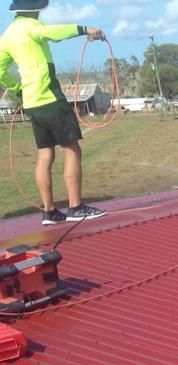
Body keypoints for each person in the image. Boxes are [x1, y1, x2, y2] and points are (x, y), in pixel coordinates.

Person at [0, 0, 106, 225]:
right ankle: (75, 207)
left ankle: (49, 212)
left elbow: (0, 70)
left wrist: (18, 87)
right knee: (72, 149)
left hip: (32, 103)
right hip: (50, 98)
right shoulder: (32, 27)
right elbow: (54, 32)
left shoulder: (8, 34)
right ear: (35, 9)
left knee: (45, 154)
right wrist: (85, 29)